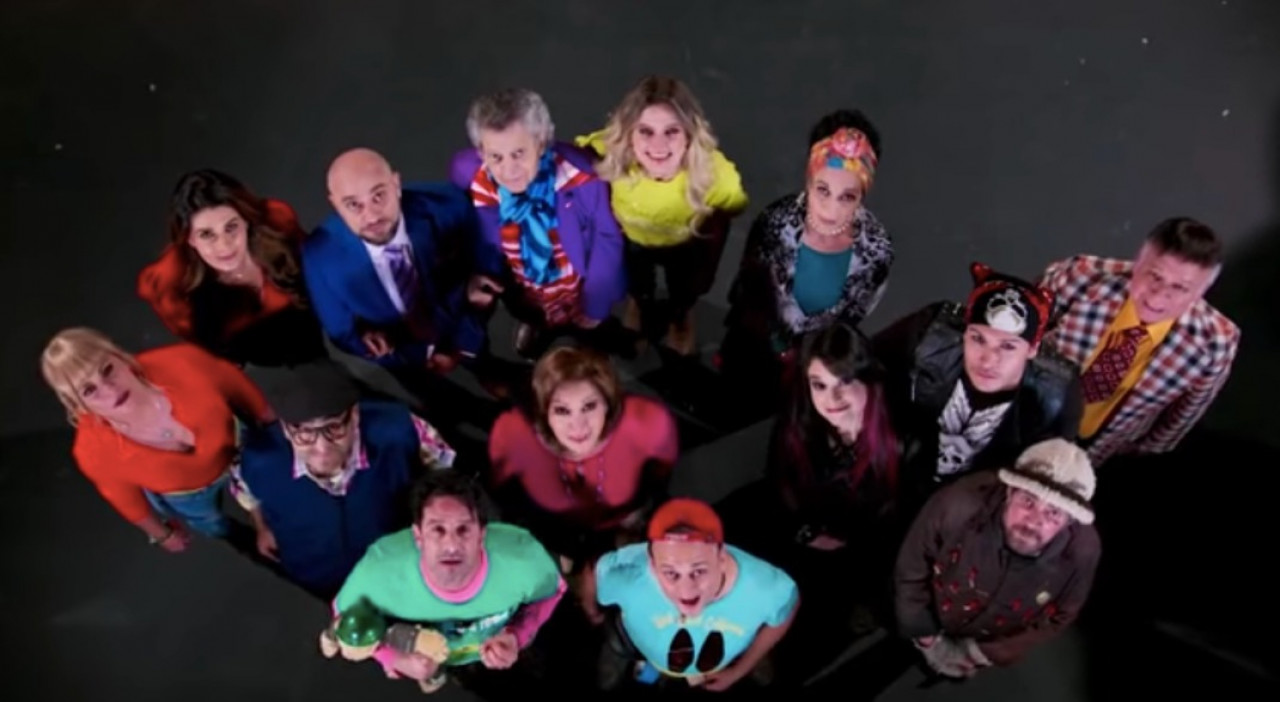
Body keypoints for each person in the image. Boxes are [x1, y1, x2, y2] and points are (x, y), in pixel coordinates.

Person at [716, 323, 899, 682]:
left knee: (821, 604)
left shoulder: (898, 438)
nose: (832, 398)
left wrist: (840, 542)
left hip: (853, 541)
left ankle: (774, 649)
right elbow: (778, 479)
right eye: (820, 385)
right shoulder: (800, 418)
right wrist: (803, 531)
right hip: (798, 518)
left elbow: (888, 519)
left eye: (844, 381)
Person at [230, 359, 457, 600]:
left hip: (394, 559)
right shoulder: (257, 458)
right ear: (286, 429)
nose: (322, 448)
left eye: (334, 427)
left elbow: (443, 467)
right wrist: (262, 527)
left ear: (355, 415)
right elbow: (245, 490)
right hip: (314, 569)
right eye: (305, 433)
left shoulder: (401, 429)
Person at [719, 109, 893, 417]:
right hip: (753, 344)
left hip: (811, 367)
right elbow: (751, 287)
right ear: (809, 178)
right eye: (822, 190)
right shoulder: (775, 223)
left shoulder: (876, 251)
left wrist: (807, 359)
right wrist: (773, 345)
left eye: (848, 196)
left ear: (863, 193)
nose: (831, 210)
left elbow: (852, 317)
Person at [329, 470, 565, 693]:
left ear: (482, 535)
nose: (451, 546)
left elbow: (551, 592)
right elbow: (342, 619)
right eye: (438, 530)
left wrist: (517, 636)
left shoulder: (522, 558)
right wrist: (395, 659)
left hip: (499, 658)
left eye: (463, 530)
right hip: (416, 653)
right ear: (418, 537)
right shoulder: (379, 570)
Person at [872, 263, 1082, 511]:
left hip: (971, 508)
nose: (988, 360)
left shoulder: (1057, 395)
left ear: (1032, 349)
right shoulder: (930, 335)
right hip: (888, 477)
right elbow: (857, 371)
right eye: (978, 338)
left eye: (1008, 346)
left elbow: (1046, 478)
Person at [39, 327, 273, 550]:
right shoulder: (92, 451)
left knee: (262, 490)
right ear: (78, 406)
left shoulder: (182, 362)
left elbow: (235, 383)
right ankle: (233, 536)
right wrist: (162, 535)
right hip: (188, 494)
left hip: (237, 447)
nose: (110, 390)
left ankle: (263, 521)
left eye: (107, 370)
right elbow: (124, 499)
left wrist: (273, 427)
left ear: (119, 356)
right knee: (208, 521)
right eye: (89, 390)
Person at [1037, 217, 1240, 467]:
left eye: (1180, 287)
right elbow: (1019, 337)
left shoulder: (1214, 344)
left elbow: (1179, 420)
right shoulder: (1079, 277)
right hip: (1027, 417)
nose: (1159, 295)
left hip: (1098, 453)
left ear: (1201, 293)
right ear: (1138, 262)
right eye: (1154, 276)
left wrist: (1138, 452)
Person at [893, 439, 1101, 679]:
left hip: (985, 643)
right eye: (1028, 501)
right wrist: (924, 635)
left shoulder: (1081, 551)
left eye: (1053, 512)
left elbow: (1060, 616)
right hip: (930, 616)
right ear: (1010, 492)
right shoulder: (959, 505)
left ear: (1069, 522)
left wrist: (981, 654)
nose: (1035, 521)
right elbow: (912, 567)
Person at [487, 346, 678, 605]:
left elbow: (658, 475)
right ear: (545, 412)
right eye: (562, 410)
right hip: (568, 530)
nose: (578, 426)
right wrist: (578, 552)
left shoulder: (642, 426)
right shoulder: (518, 446)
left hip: (628, 517)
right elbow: (521, 510)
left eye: (589, 406)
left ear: (607, 403)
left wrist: (636, 514)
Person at [576, 75, 749, 356]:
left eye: (672, 131)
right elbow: (577, 155)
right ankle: (639, 303)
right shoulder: (608, 155)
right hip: (631, 239)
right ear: (627, 134)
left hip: (685, 243)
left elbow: (733, 205)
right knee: (636, 281)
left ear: (690, 134)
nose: (658, 146)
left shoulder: (716, 177)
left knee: (685, 289)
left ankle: (680, 317)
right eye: (645, 131)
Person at [450, 88, 627, 359]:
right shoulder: (469, 175)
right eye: (496, 157)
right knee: (529, 313)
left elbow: (607, 238)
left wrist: (596, 305)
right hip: (523, 286)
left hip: (577, 285)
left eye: (519, 153)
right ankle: (539, 325)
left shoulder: (582, 177)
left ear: (542, 142)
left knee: (591, 330)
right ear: (481, 152)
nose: (508, 170)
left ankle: (592, 332)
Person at [304, 148, 502, 382]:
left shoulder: (448, 207)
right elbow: (343, 335)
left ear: (396, 185)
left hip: (464, 320)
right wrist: (421, 356)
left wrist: (464, 345)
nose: (372, 217)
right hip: (403, 357)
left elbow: (487, 268)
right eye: (353, 205)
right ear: (335, 205)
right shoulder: (319, 258)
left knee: (490, 371)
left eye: (378, 196)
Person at [585, 498, 799, 693]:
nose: (686, 591)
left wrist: (741, 669)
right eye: (671, 573)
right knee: (619, 640)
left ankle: (749, 653)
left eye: (699, 571)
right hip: (645, 648)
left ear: (722, 559)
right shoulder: (630, 578)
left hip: (727, 659)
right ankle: (624, 652)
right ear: (652, 565)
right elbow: (596, 571)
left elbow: (786, 608)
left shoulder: (763, 587)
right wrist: (590, 608)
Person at [137, 169, 327, 367]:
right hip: (251, 369)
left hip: (312, 345)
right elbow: (210, 357)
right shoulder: (173, 285)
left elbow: (318, 277)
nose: (224, 245)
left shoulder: (278, 225)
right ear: (189, 239)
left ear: (246, 221)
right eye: (206, 235)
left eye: (231, 227)